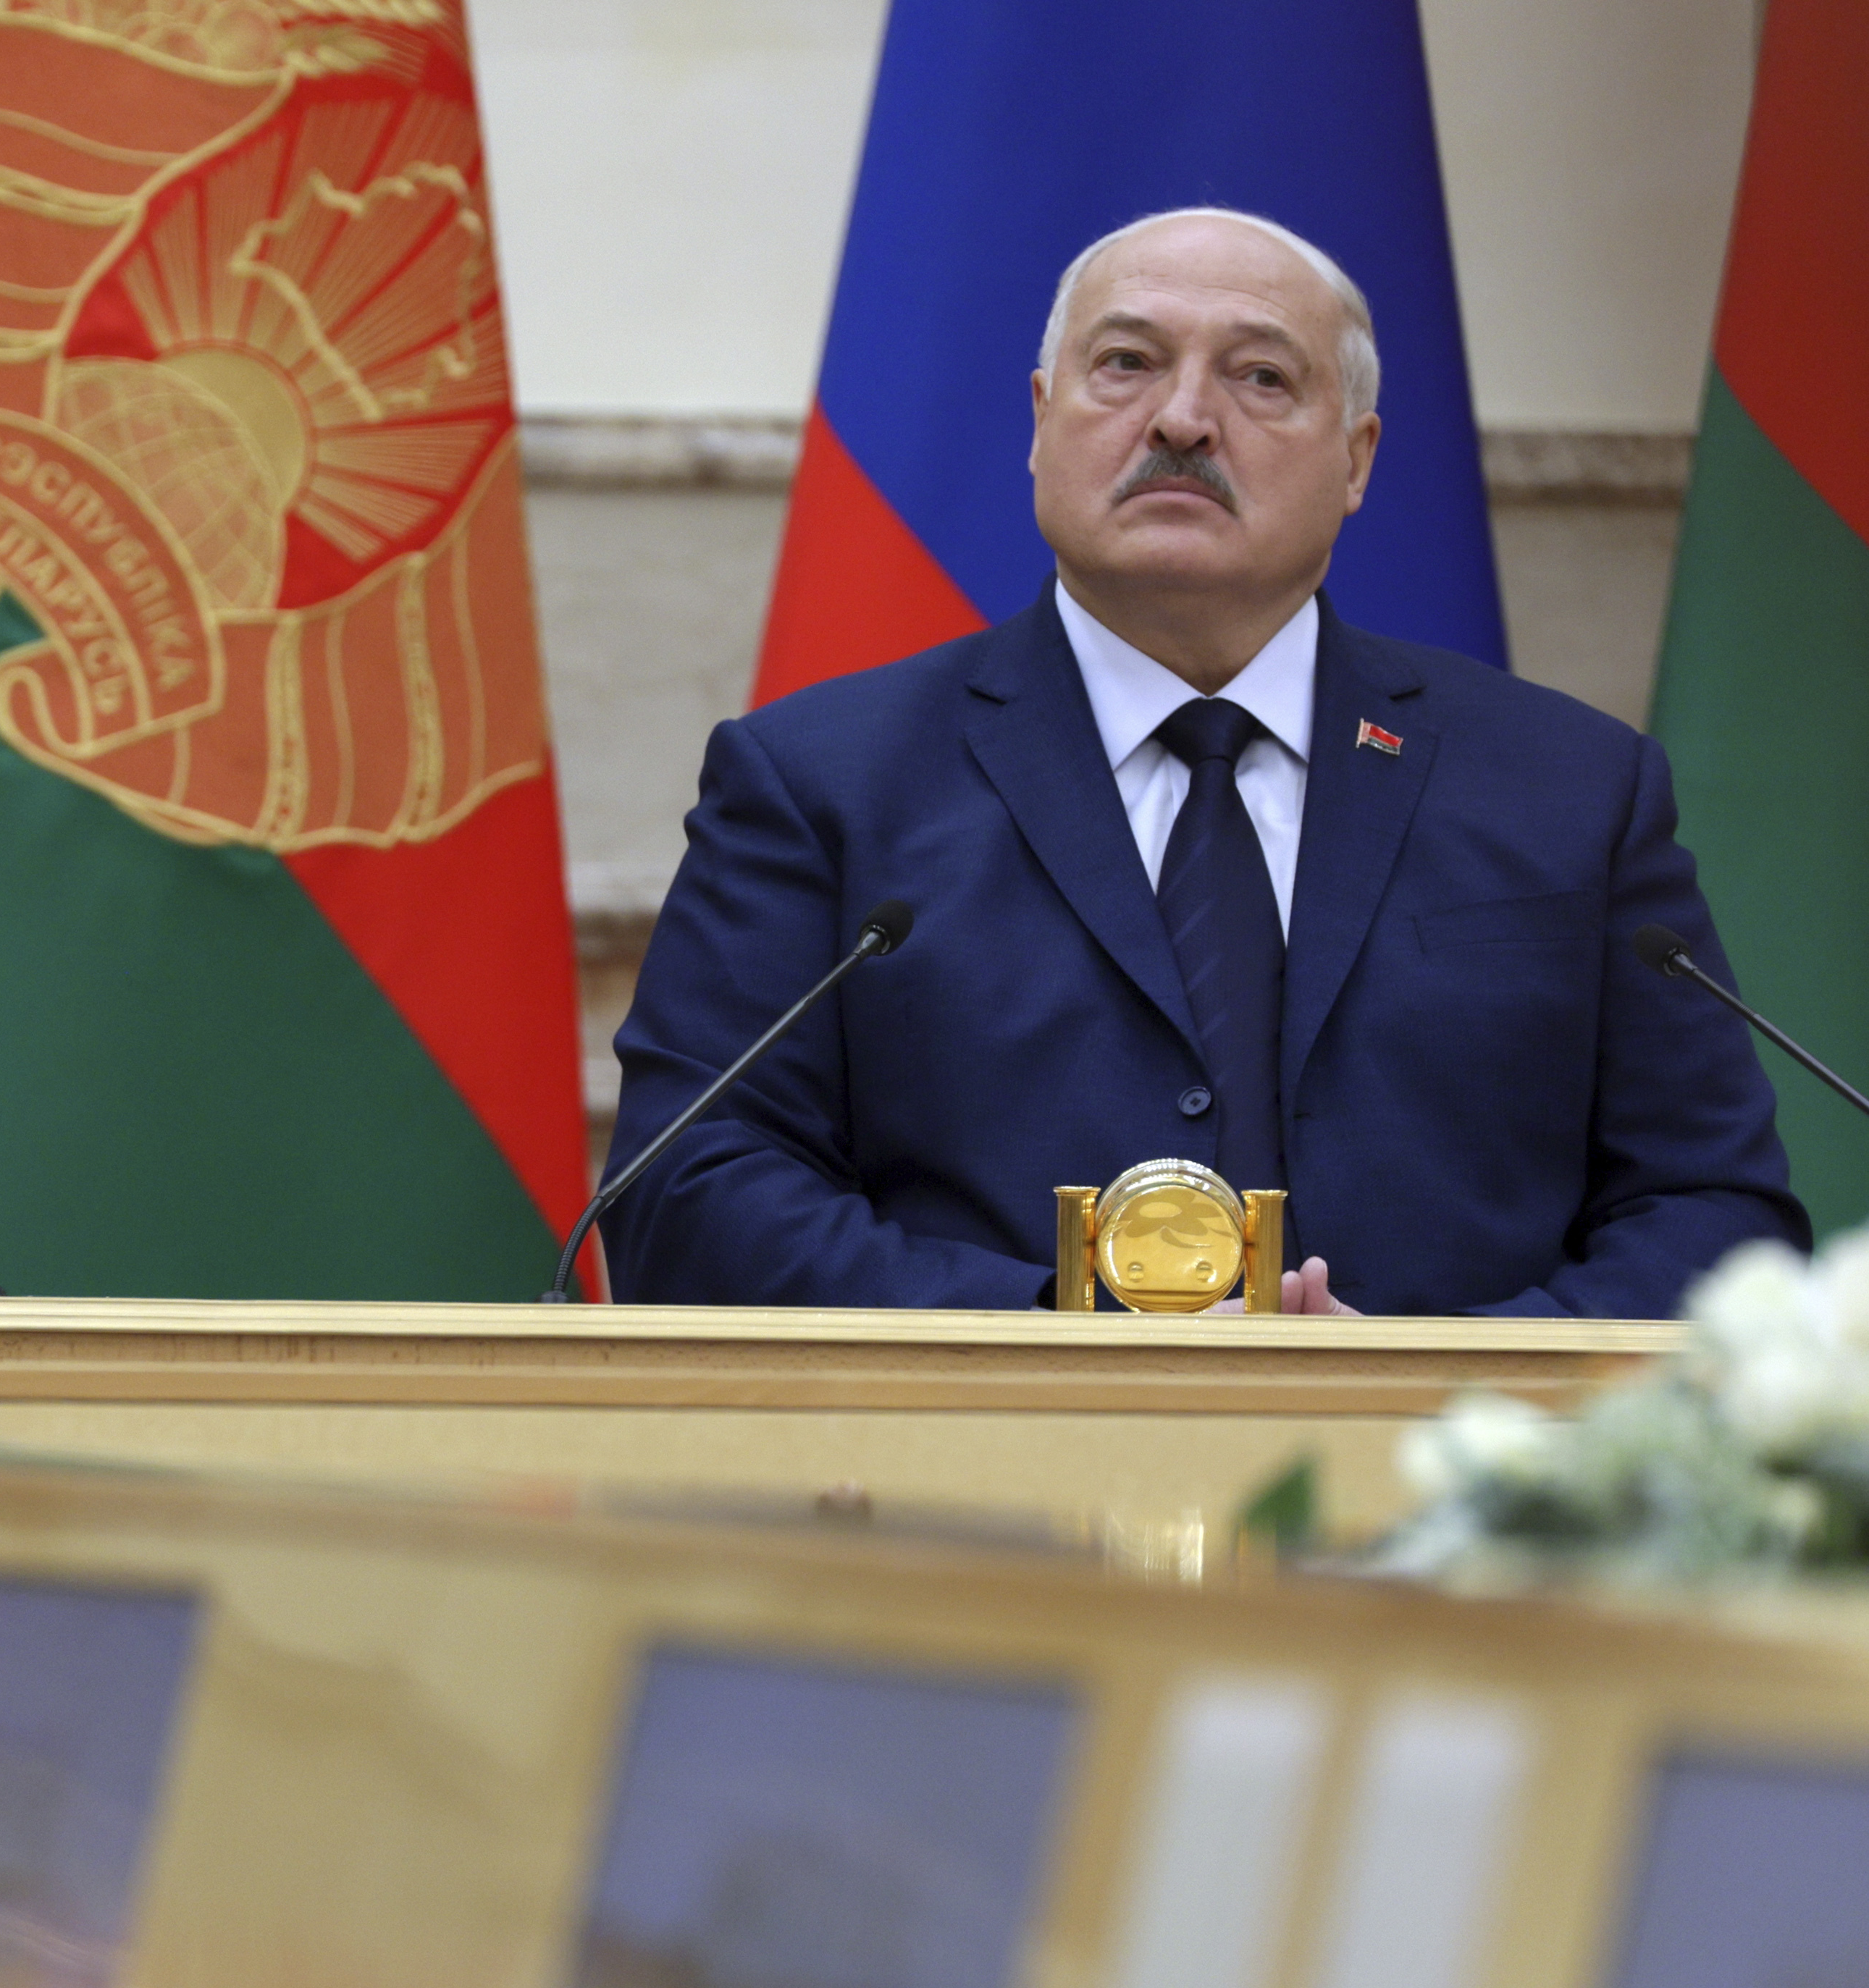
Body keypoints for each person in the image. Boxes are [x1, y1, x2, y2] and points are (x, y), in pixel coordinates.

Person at [602, 210, 1804, 1315]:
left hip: (1443, 1517)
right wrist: (1054, 1338)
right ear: (1038, 422)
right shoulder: (819, 784)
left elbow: (1714, 1212)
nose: (1180, 419)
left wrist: (1437, 1396)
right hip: (970, 1507)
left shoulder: (1568, 789)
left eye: (1260, 377)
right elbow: (685, 1189)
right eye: (1124, 364)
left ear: (1356, 459)